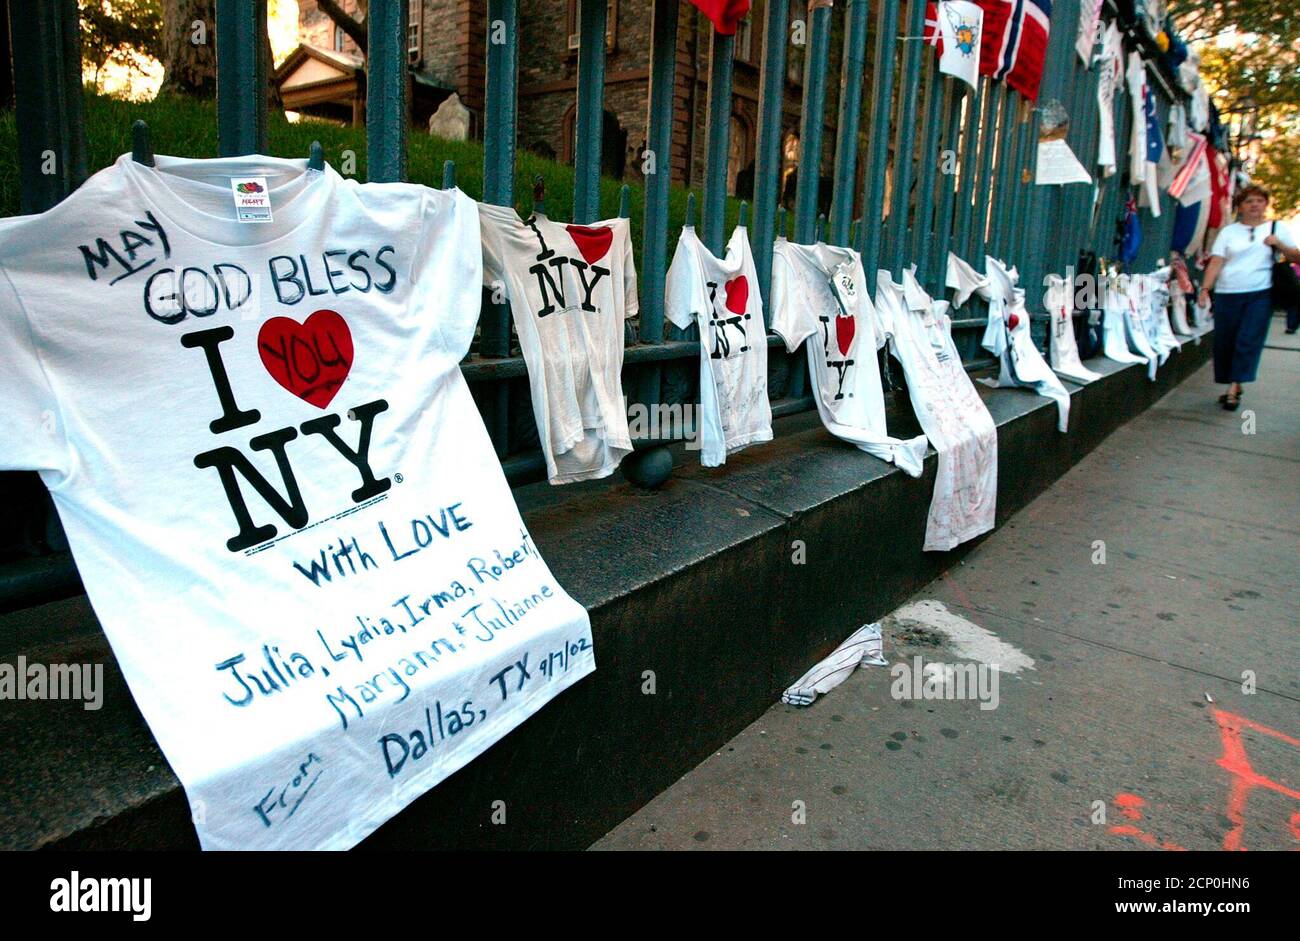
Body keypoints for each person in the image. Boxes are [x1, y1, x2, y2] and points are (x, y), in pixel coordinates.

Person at [1198, 184, 1300, 409]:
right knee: (1226, 341)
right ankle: (1234, 378)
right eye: (1249, 201)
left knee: (1248, 339)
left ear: (1265, 204)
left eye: (1259, 201)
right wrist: (1205, 289)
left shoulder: (1277, 228)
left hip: (1259, 294)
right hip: (1227, 293)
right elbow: (1216, 261)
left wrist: (1279, 244)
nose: (1254, 205)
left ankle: (1234, 387)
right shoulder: (1229, 232)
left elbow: (1296, 257)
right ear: (1240, 207)